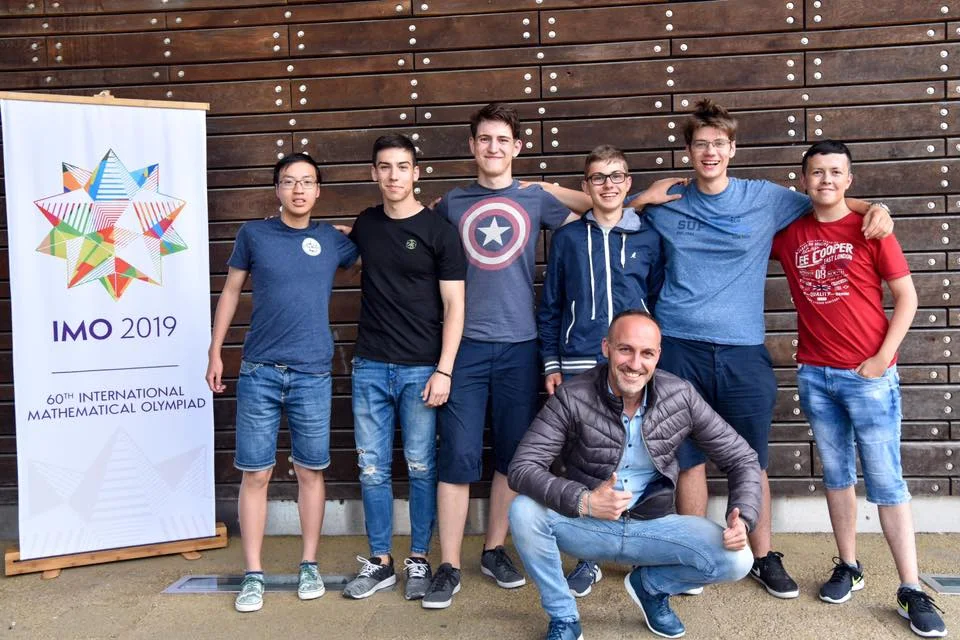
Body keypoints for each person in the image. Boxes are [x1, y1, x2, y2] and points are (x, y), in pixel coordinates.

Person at [623, 99, 894, 599]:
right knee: (687, 458)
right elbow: (600, 211)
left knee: (750, 459)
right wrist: (642, 199)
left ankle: (762, 556)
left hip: (743, 350)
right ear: (688, 151)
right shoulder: (669, 201)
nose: (709, 152)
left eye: (718, 143)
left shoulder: (765, 198)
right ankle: (693, 556)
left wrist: (874, 208)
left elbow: (827, 198)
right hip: (678, 345)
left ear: (732, 148)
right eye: (700, 144)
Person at [770, 141, 946, 638]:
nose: (826, 180)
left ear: (849, 179)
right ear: (803, 180)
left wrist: (882, 358)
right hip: (816, 374)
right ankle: (848, 565)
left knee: (886, 481)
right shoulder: (790, 234)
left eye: (835, 172)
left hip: (868, 376)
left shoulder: (871, 228)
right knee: (837, 476)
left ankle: (910, 588)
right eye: (817, 172)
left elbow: (907, 297)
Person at [508, 310, 760, 640]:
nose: (635, 363)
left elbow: (743, 457)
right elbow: (522, 467)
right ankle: (564, 617)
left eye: (647, 353)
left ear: (658, 356)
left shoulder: (680, 395)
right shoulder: (572, 395)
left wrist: (742, 519)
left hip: (654, 527)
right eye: (625, 349)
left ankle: (650, 587)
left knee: (738, 559)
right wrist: (584, 502)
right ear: (606, 348)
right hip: (589, 525)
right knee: (523, 510)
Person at [421, 102, 577, 609]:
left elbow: (597, 207)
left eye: (502, 140)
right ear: (472, 146)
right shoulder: (451, 203)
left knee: (513, 455)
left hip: (521, 345)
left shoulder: (534, 199)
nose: (493, 148)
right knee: (457, 455)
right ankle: (448, 565)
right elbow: (409, 233)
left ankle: (493, 549)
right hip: (463, 347)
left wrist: (547, 187)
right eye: (484, 139)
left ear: (517, 147)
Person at [205, 153, 358, 613]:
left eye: (307, 182)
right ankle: (253, 574)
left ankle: (309, 564)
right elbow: (231, 290)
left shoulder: (331, 240)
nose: (298, 189)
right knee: (256, 473)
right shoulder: (254, 235)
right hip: (260, 372)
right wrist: (215, 350)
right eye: (289, 181)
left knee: (311, 471)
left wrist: (352, 232)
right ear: (277, 189)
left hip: (312, 372)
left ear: (318, 191)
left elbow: (374, 244)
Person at [536, 144, 674, 597]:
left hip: (633, 364)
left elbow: (658, 303)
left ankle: (643, 548)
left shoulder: (649, 237)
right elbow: (551, 306)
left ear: (628, 183)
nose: (608, 184)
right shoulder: (568, 239)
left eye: (616, 176)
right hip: (579, 357)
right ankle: (588, 556)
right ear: (586, 185)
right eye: (598, 177)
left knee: (638, 450)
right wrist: (551, 362)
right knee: (585, 457)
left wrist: (653, 359)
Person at [341, 134, 466, 602]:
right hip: (370, 365)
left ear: (416, 173)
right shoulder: (367, 224)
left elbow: (455, 306)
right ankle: (380, 562)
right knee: (372, 468)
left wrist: (444, 369)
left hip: (421, 369)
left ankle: (418, 558)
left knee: (419, 466)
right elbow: (341, 252)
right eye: (385, 167)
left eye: (402, 167)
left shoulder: (439, 231)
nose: (393, 176)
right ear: (374, 173)